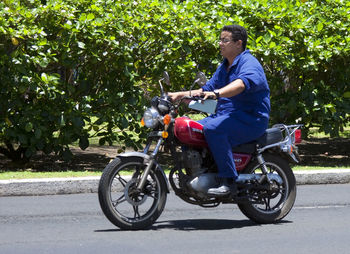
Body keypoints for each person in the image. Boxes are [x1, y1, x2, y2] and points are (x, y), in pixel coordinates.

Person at [168, 25, 270, 196]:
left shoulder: (249, 63)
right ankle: (199, 172)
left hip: (250, 119)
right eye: (220, 40)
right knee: (189, 129)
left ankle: (228, 181)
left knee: (213, 129)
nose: (220, 43)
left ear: (238, 43)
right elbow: (205, 89)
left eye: (225, 40)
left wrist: (217, 93)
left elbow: (240, 84)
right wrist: (179, 95)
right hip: (226, 116)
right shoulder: (224, 66)